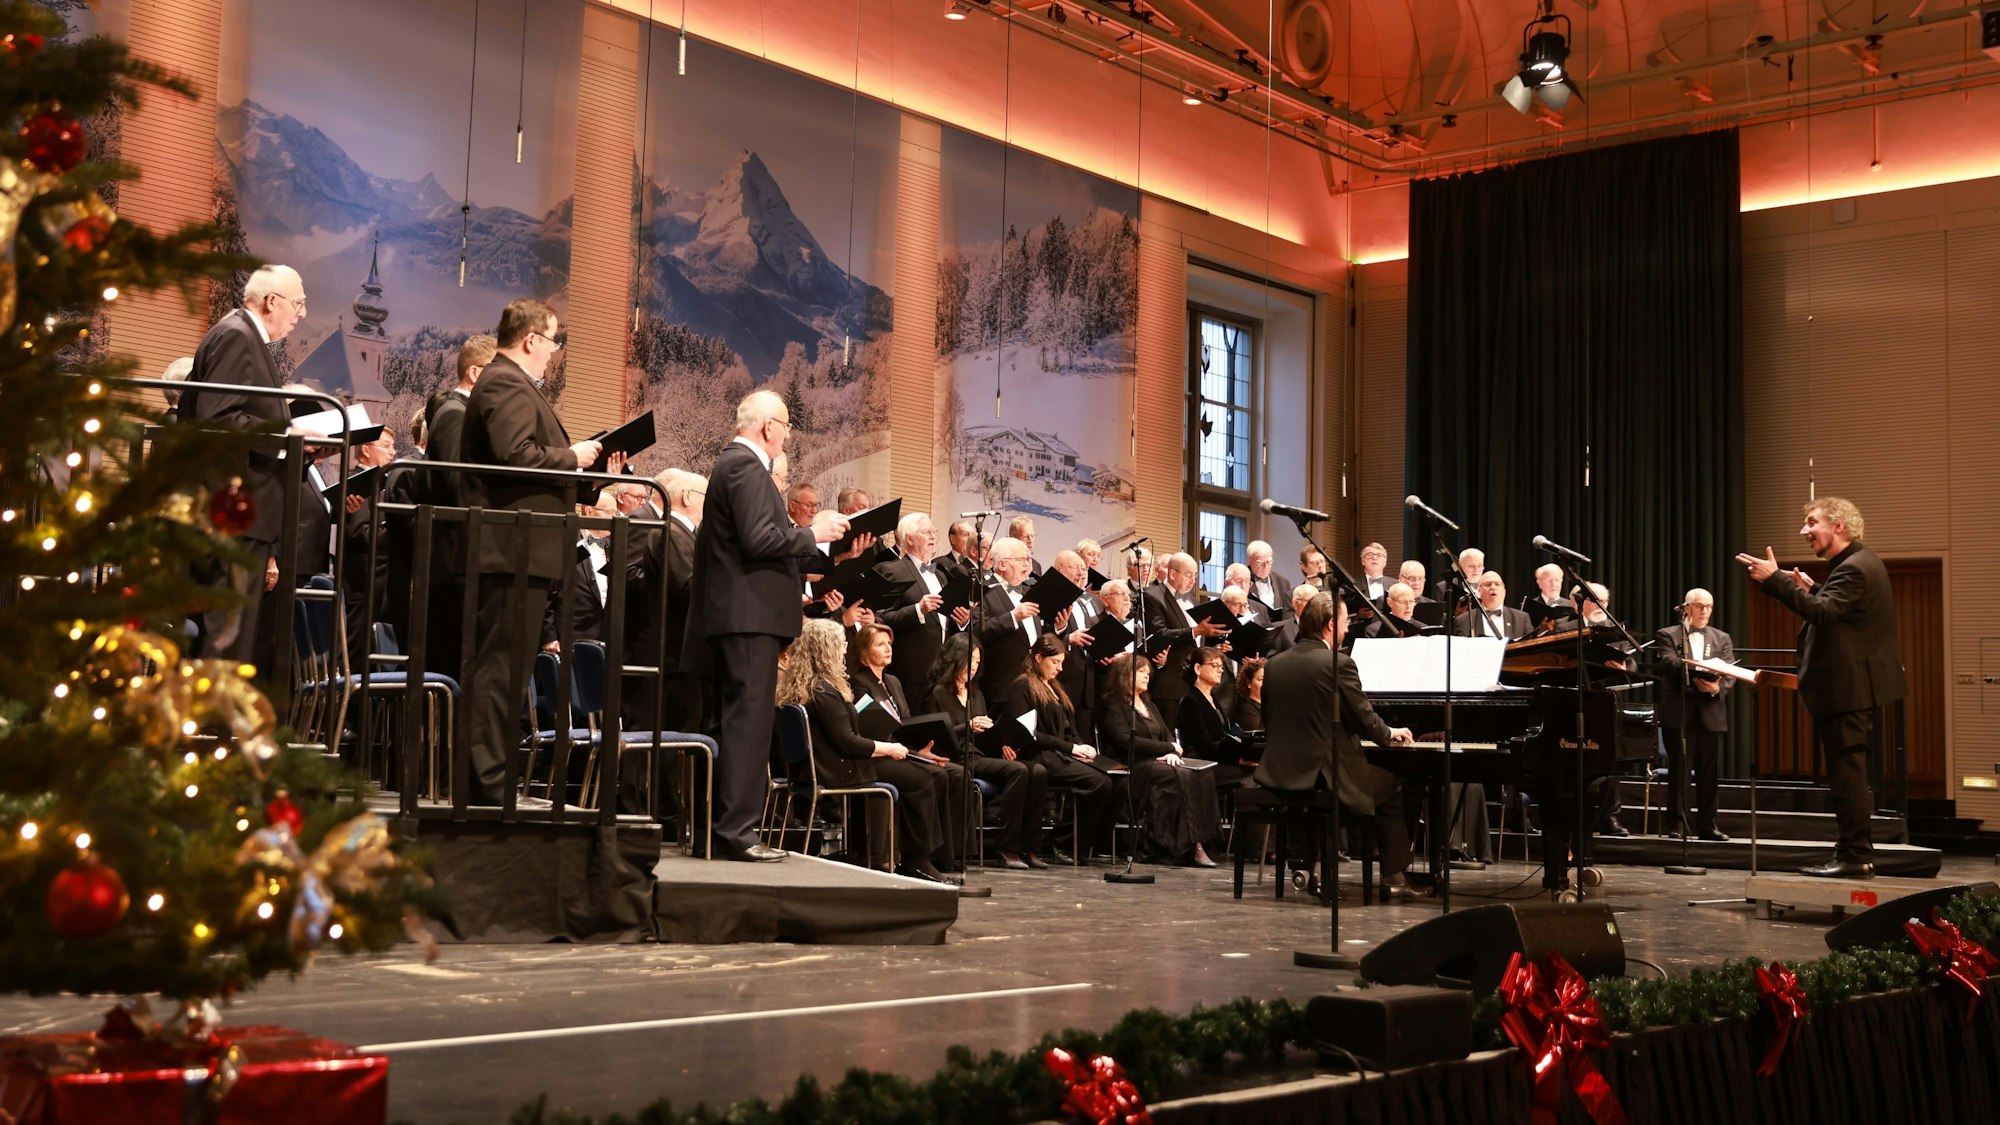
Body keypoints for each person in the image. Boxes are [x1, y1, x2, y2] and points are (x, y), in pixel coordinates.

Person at [460, 299, 614, 810]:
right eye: (553, 341)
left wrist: (583, 475)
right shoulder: (506, 382)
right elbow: (514, 455)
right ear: (531, 339)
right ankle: (488, 783)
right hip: (511, 547)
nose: (554, 352)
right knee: (499, 669)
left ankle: (493, 780)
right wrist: (573, 457)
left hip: (522, 547)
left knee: (508, 666)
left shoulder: (510, 382)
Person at [686, 389, 849, 861]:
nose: (788, 435)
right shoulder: (744, 465)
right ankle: (737, 834)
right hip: (747, 617)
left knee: (735, 725)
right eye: (787, 425)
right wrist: (813, 533)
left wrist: (814, 542)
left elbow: (756, 539)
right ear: (769, 426)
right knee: (747, 727)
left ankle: (719, 833)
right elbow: (760, 539)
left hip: (742, 616)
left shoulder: (735, 465)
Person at [1739, 497, 1906, 880]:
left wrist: (1776, 580)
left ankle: (1854, 857)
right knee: (1846, 775)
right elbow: (1838, 614)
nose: (1803, 530)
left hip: (1849, 691)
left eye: (1811, 522)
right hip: (1850, 689)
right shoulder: (1857, 565)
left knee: (1848, 777)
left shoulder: (1855, 568)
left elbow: (1826, 615)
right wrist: (1814, 590)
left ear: (1839, 526)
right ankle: (1851, 854)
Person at [178, 265, 311, 663]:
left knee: (234, 629)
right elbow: (218, 419)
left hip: (241, 505)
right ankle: (214, 721)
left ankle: (218, 719)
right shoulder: (237, 336)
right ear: (272, 301)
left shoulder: (242, 335)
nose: (301, 314)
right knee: (227, 629)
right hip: (234, 504)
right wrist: (288, 435)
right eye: (299, 303)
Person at [1252, 593, 1419, 899]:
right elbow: (1363, 716)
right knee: (1392, 785)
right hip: (1324, 773)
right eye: (1345, 622)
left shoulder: (1274, 664)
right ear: (1331, 625)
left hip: (1282, 771)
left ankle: (1311, 868)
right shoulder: (1338, 663)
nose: (1346, 628)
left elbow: (1271, 718)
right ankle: (1394, 876)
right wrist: (1388, 733)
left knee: (1326, 797)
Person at [776, 619, 949, 881]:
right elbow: (848, 742)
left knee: (918, 770)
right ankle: (917, 860)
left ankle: (878, 854)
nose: (845, 648)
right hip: (838, 768)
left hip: (823, 765)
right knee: (921, 779)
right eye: (841, 644)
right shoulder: (823, 689)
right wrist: (888, 748)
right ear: (827, 649)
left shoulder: (807, 684)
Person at [849, 623, 970, 880]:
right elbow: (870, 728)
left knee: (955, 773)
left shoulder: (893, 681)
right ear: (863, 652)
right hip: (878, 752)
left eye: (889, 644)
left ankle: (944, 854)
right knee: (933, 776)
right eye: (880, 644)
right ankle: (919, 856)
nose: (888, 649)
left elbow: (904, 724)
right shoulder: (859, 684)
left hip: (903, 749)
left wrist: (920, 750)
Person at [927, 635, 1046, 869]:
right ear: (955, 657)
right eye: (970, 660)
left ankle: (1030, 846)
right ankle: (1006, 846)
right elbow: (939, 735)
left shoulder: (976, 694)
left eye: (978, 661)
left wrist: (1002, 743)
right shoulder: (938, 693)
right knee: (1018, 771)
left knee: (1038, 770)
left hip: (979, 755)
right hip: (957, 758)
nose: (974, 667)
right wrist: (968, 726)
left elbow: (985, 734)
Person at [418, 334, 496, 681]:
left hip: (464, 563)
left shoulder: (468, 415)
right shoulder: (454, 414)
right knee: (449, 672)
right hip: (454, 565)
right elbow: (455, 485)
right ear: (476, 374)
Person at [1096, 653, 1221, 866]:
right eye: (1140, 672)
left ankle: (1205, 841)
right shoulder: (1113, 705)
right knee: (1179, 775)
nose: (1146, 676)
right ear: (1124, 675)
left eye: (1147, 672)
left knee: (1202, 773)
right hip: (1134, 766)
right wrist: (1167, 748)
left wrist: (1172, 752)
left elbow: (1168, 734)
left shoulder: (1150, 705)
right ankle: (1188, 846)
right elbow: (1126, 741)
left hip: (1160, 762)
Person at [1002, 633, 1115, 862]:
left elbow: (1069, 728)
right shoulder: (1023, 685)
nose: (1059, 668)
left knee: (1118, 777)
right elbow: (1030, 735)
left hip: (1063, 753)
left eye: (1061, 663)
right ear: (1038, 658)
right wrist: (1072, 748)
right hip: (1042, 756)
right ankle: (1063, 840)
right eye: (1055, 662)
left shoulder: (1054, 686)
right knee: (1099, 782)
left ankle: (1087, 843)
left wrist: (1083, 746)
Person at [1654, 588, 1733, 842]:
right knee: (1680, 771)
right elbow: (1667, 662)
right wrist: (1695, 671)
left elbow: (1729, 673)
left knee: (1709, 774)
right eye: (1699, 606)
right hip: (1681, 712)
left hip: (1711, 712)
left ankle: (1708, 825)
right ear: (1686, 608)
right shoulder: (1668, 634)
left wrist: (1717, 686)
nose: (1704, 611)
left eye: (1709, 607)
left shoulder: (1721, 638)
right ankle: (1677, 823)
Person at [1174, 646, 1249, 788]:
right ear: (1198, 668)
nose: (1221, 670)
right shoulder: (1190, 701)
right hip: (1201, 763)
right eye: (1215, 665)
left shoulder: (1212, 697)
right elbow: (1204, 746)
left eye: (1221, 666)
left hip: (1218, 758)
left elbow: (1224, 736)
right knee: (1250, 772)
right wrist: (1237, 760)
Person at [1454, 572, 1531, 640]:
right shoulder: (1464, 621)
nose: (1493, 587)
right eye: (1488, 585)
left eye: (1497, 584)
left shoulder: (1522, 619)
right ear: (1479, 592)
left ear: (1504, 591)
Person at [1245, 540, 1295, 621]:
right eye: (1260, 562)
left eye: (1269, 562)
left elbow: (1287, 613)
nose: (1265, 566)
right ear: (1251, 561)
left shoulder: (1283, 582)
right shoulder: (1240, 579)